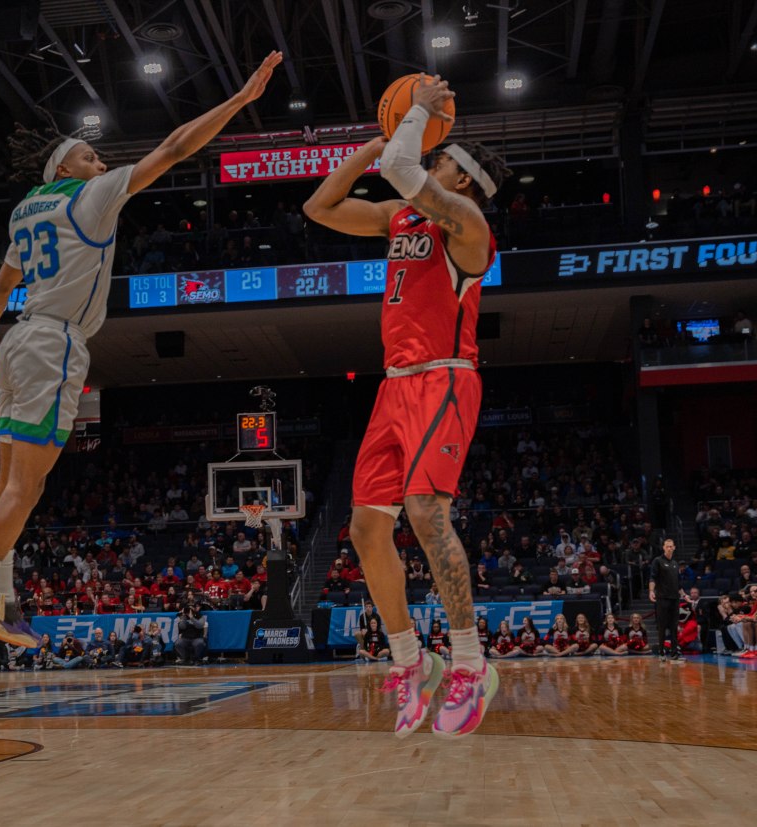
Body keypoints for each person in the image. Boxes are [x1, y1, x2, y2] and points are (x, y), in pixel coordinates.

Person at [0, 51, 283, 672]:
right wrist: (240, 101)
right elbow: (174, 148)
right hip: (53, 346)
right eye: (91, 156)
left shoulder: (25, 209)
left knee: (13, 485)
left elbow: (2, 284)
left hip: (16, 343)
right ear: (65, 167)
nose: (103, 164)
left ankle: (3, 604)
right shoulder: (88, 197)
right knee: (26, 486)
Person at [304, 73, 506, 739]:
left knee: (425, 512)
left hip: (444, 378)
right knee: (366, 529)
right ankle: (409, 659)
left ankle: (471, 662)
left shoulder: (469, 225)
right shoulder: (400, 217)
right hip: (394, 384)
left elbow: (402, 167)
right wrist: (375, 142)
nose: (429, 158)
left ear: (463, 178)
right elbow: (320, 207)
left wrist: (412, 117)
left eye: (441, 158)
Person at [649, 538, 681, 661]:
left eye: (671, 546)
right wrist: (651, 591)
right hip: (662, 598)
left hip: (675, 599)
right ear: (663, 547)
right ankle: (661, 651)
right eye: (667, 546)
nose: (669, 548)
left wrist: (685, 595)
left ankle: (674, 652)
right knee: (662, 626)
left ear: (674, 548)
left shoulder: (675, 563)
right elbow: (652, 578)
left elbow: (678, 583)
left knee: (674, 626)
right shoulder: (658, 561)